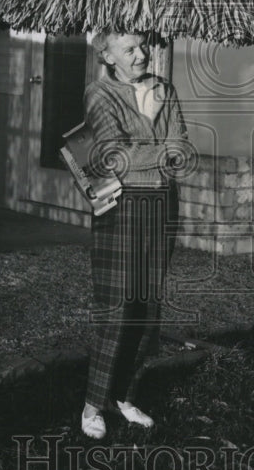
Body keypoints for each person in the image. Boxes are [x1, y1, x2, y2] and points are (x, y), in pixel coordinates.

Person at [80, 30, 188, 441]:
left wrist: (147, 151)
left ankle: (124, 396)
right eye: (130, 49)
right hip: (122, 208)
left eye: (143, 46)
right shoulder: (99, 94)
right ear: (107, 55)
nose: (142, 54)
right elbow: (113, 156)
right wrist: (160, 148)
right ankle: (92, 403)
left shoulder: (164, 88)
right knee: (116, 306)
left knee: (147, 305)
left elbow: (184, 146)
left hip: (162, 204)